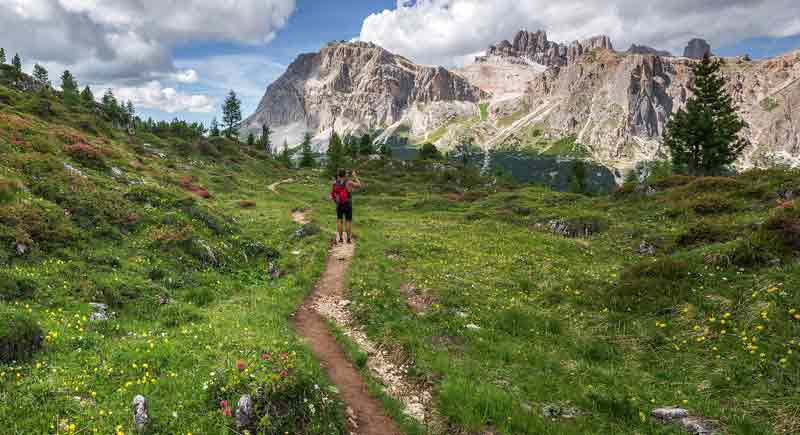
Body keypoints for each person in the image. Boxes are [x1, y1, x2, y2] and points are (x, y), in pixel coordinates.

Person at [331, 169, 362, 244]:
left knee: (339, 221)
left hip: (339, 204)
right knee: (348, 222)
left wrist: (336, 201)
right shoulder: (348, 182)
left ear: (338, 175)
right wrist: (355, 176)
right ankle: (348, 239)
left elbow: (333, 193)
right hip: (347, 204)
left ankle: (340, 238)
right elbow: (359, 185)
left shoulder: (335, 183)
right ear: (345, 175)